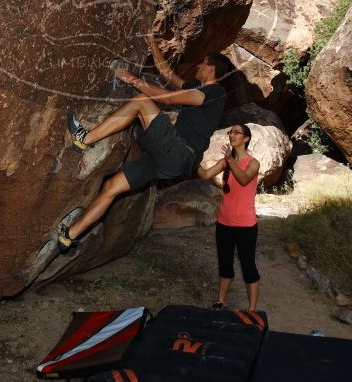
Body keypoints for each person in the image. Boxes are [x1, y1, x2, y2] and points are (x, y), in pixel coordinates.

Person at [58, 34, 231, 253]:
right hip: (166, 160)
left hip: (178, 151)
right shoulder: (197, 90)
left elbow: (167, 98)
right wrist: (152, 44)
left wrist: (132, 80)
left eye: (203, 62)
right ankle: (68, 236)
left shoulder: (215, 92)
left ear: (211, 68)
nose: (198, 65)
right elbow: (168, 74)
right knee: (112, 187)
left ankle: (84, 139)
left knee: (141, 101)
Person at [197, 123, 261, 311]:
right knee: (224, 262)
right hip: (224, 222)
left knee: (248, 265)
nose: (232, 135)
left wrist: (229, 160)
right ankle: (221, 300)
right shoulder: (226, 162)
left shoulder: (252, 162)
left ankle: (251, 310)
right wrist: (193, 160)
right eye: (230, 132)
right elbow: (206, 174)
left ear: (246, 138)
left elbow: (243, 179)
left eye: (236, 132)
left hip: (246, 225)